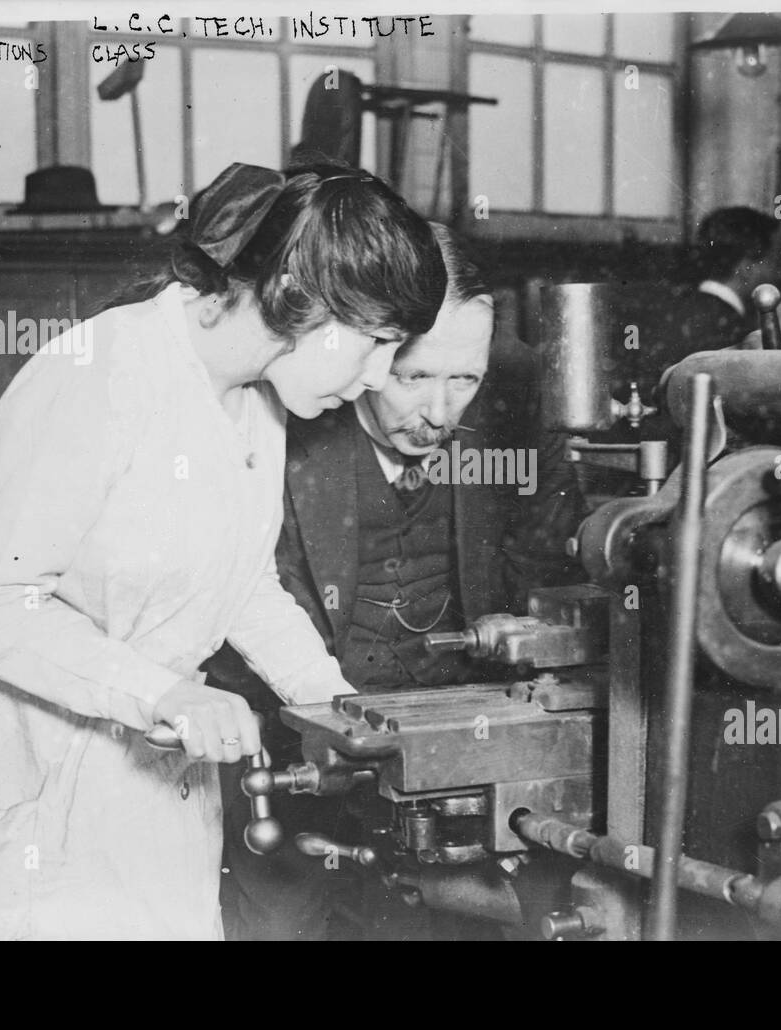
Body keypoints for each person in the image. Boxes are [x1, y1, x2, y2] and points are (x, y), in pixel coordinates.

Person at [0, 161, 447, 940]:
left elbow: (240, 578)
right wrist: (164, 695)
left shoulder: (257, 402)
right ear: (302, 300)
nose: (379, 376)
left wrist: (329, 700)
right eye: (377, 342)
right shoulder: (99, 375)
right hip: (25, 761)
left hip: (149, 764)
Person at [207, 224, 585, 939]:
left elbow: (550, 572)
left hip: (445, 770)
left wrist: (529, 630)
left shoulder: (522, 412)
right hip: (293, 752)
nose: (441, 414)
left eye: (464, 380)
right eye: (415, 377)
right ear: (369, 348)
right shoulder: (278, 424)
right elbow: (245, 611)